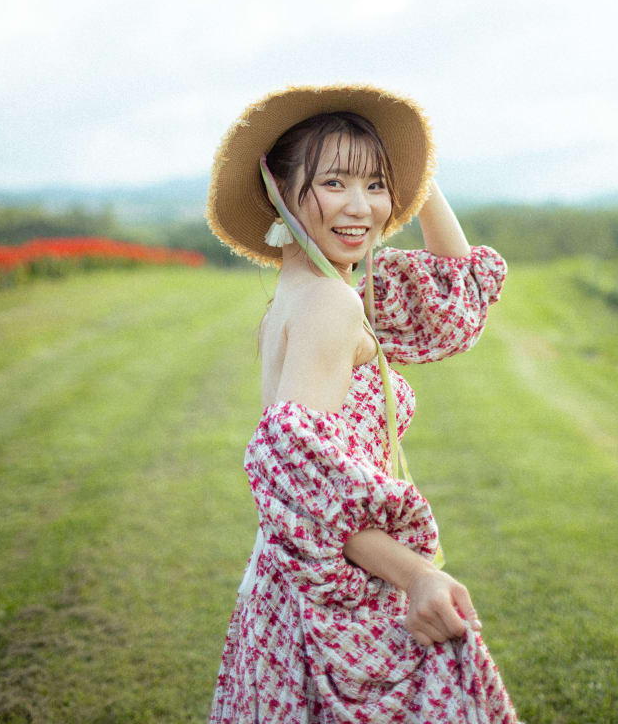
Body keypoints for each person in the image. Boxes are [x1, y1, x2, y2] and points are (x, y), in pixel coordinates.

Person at [205, 84, 519, 724]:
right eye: (334, 183)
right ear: (278, 189)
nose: (361, 206)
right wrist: (418, 576)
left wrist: (416, 175)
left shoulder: (314, 288)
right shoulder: (331, 305)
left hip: (288, 585)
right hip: (333, 589)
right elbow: (307, 489)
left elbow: (454, 299)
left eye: (377, 184)